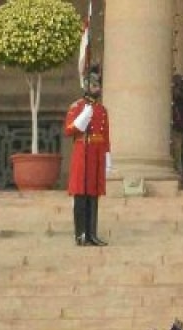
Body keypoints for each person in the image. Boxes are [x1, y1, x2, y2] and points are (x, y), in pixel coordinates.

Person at [65, 65, 111, 246]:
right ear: (86, 86)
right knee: (81, 195)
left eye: (98, 85)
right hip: (82, 152)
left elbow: (106, 135)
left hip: (97, 154)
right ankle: (80, 234)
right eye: (93, 85)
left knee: (93, 195)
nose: (97, 88)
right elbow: (69, 130)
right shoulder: (77, 107)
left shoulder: (102, 110)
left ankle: (92, 233)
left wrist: (108, 157)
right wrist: (82, 119)